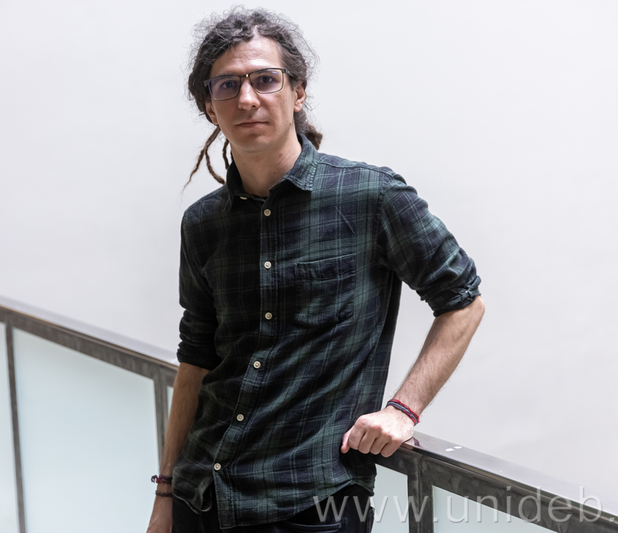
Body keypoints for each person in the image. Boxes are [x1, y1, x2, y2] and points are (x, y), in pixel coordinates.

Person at [147, 7, 485, 533]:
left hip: (312, 505)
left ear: (297, 92)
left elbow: (463, 301)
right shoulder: (203, 223)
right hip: (203, 497)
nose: (247, 98)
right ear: (209, 106)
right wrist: (166, 493)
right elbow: (196, 359)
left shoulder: (371, 196)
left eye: (265, 79)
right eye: (227, 85)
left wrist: (403, 409)